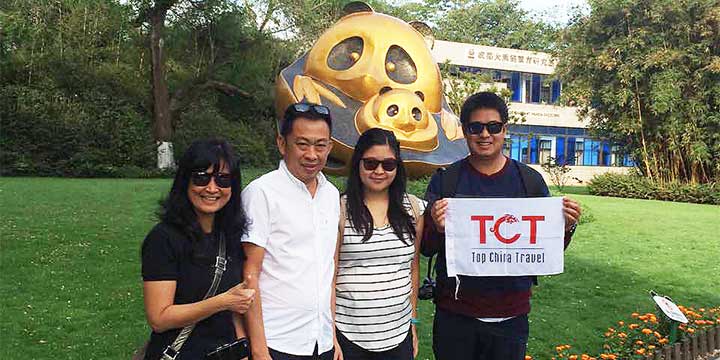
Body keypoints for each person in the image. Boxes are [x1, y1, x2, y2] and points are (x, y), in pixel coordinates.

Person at [422, 92, 582, 360]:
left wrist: (565, 226)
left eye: (493, 127)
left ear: (504, 130)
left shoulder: (529, 181)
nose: (485, 134)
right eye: (476, 127)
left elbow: (544, 248)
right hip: (455, 315)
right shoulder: (446, 181)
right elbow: (426, 248)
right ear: (465, 131)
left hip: (511, 316)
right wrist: (436, 227)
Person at [140, 139, 256, 360]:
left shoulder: (229, 236)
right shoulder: (163, 239)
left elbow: (235, 310)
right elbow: (159, 317)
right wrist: (222, 301)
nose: (212, 188)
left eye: (223, 180)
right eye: (202, 178)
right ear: (185, 181)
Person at [241, 103, 340, 360]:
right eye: (302, 144)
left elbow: (328, 268)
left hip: (322, 341)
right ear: (282, 144)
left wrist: (333, 337)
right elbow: (249, 273)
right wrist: (259, 348)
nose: (312, 154)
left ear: (330, 147)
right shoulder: (261, 193)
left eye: (320, 145)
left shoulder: (330, 194)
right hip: (278, 341)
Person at [334, 128, 424, 360]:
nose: (379, 171)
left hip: (398, 334)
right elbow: (330, 275)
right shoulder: (339, 209)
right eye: (371, 163)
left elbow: (413, 269)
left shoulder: (413, 209)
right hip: (349, 335)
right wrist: (330, 333)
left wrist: (412, 321)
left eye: (388, 164)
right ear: (358, 164)